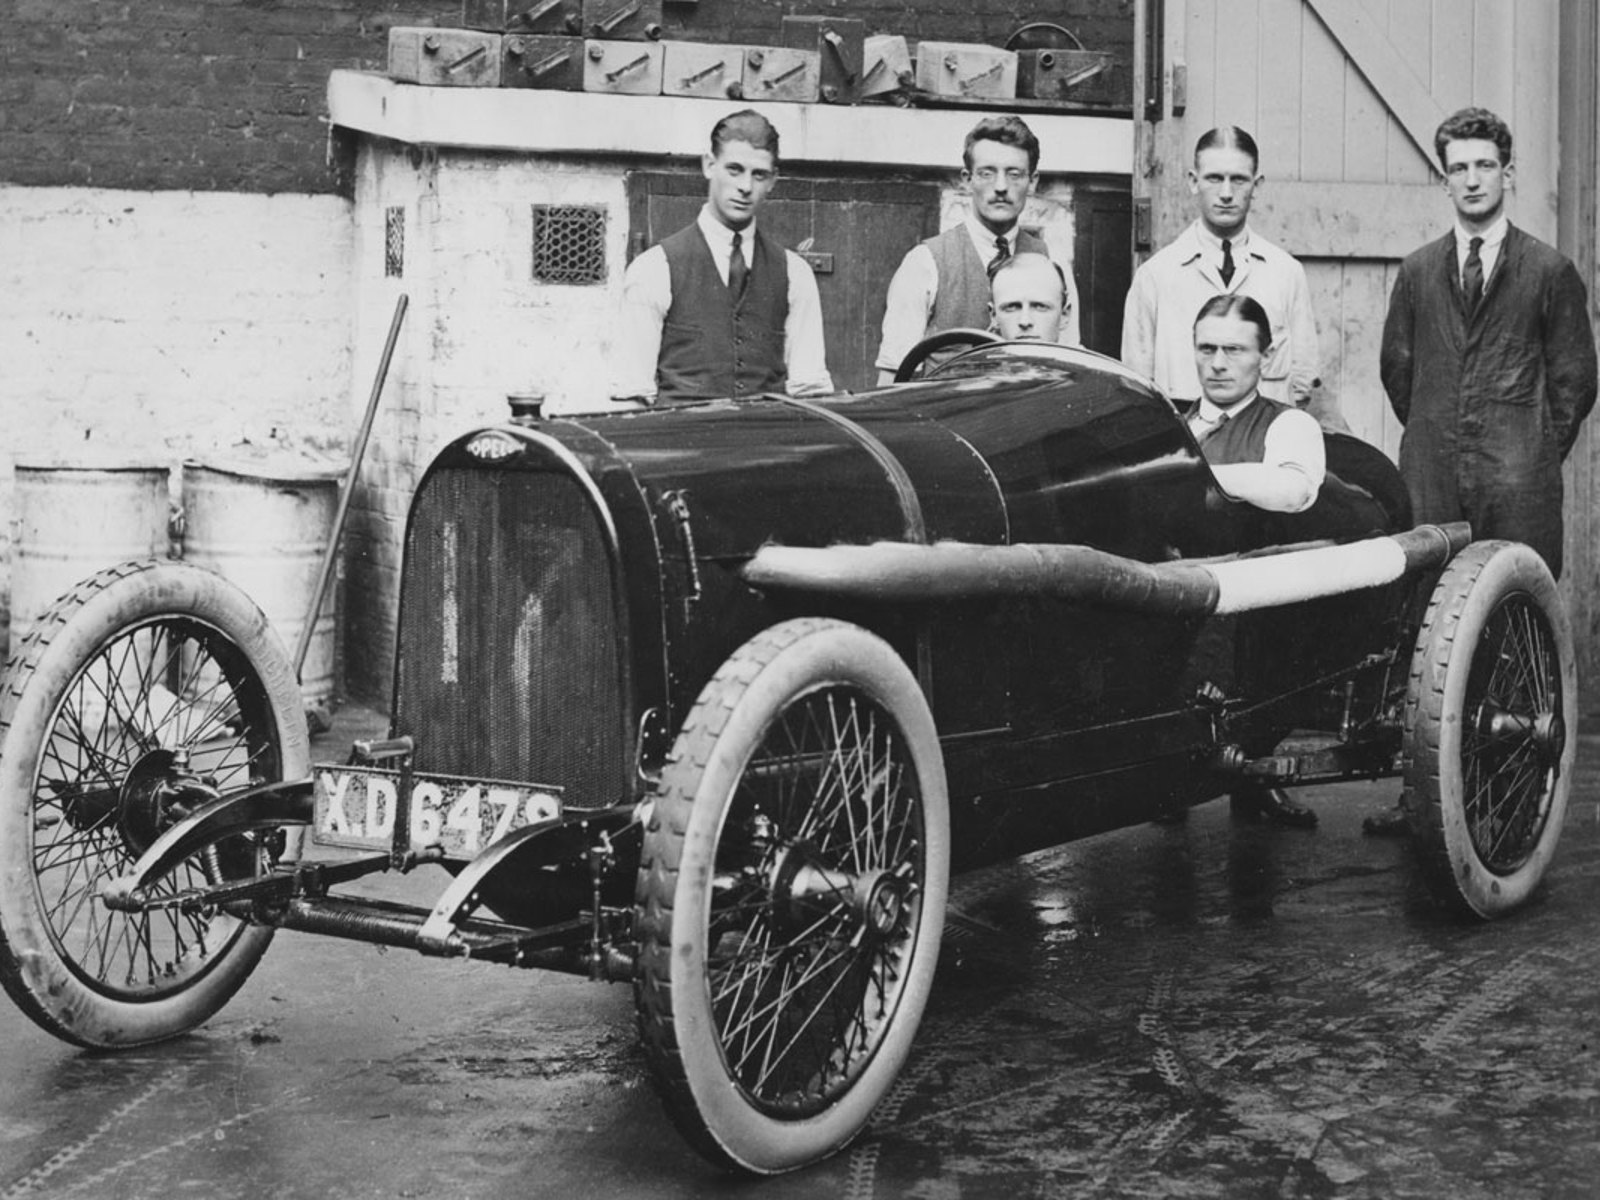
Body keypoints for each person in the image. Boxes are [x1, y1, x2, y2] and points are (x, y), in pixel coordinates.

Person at [1367, 105, 1597, 837]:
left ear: (1508, 174)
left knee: (1508, 636)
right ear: (1445, 180)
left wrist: (1527, 447)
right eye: (1456, 168)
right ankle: (1423, 801)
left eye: (1482, 165)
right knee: (1424, 633)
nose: (1470, 179)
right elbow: (1397, 372)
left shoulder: (1549, 272)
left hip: (1517, 485)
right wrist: (1439, 437)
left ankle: (1503, 796)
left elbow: (1575, 381)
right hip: (1433, 478)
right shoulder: (1416, 273)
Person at [1192, 292, 1325, 829]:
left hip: (1251, 611)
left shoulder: (1287, 426)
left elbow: (1294, 490)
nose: (1218, 363)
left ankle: (1250, 772)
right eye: (1206, 349)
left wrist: (1193, 480)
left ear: (1264, 358)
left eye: (1234, 350)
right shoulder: (1176, 426)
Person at [1122, 126, 1342, 430]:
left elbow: (1302, 378)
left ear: (1257, 185)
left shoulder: (1285, 272)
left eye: (1238, 179)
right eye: (1214, 178)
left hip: (1265, 445)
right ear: (1193, 182)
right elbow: (1137, 388)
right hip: (1189, 449)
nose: (1226, 193)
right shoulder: (1156, 276)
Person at [612, 110, 833, 404]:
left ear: (773, 181)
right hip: (683, 443)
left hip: (769, 446)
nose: (745, 187)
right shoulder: (655, 268)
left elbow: (811, 390)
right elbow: (632, 394)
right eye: (734, 169)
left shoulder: (795, 273)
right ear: (709, 165)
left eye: (759, 174)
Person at [875, 115, 1080, 384]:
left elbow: (1072, 368)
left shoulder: (1053, 263)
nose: (1001, 187)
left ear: (1033, 182)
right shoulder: (925, 263)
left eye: (1014, 174)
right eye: (987, 173)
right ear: (967, 179)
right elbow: (892, 378)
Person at [990, 252, 1070, 343]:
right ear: (993, 316)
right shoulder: (972, 357)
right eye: (1011, 308)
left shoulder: (1084, 357)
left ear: (1064, 315)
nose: (1025, 322)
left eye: (1040, 307)